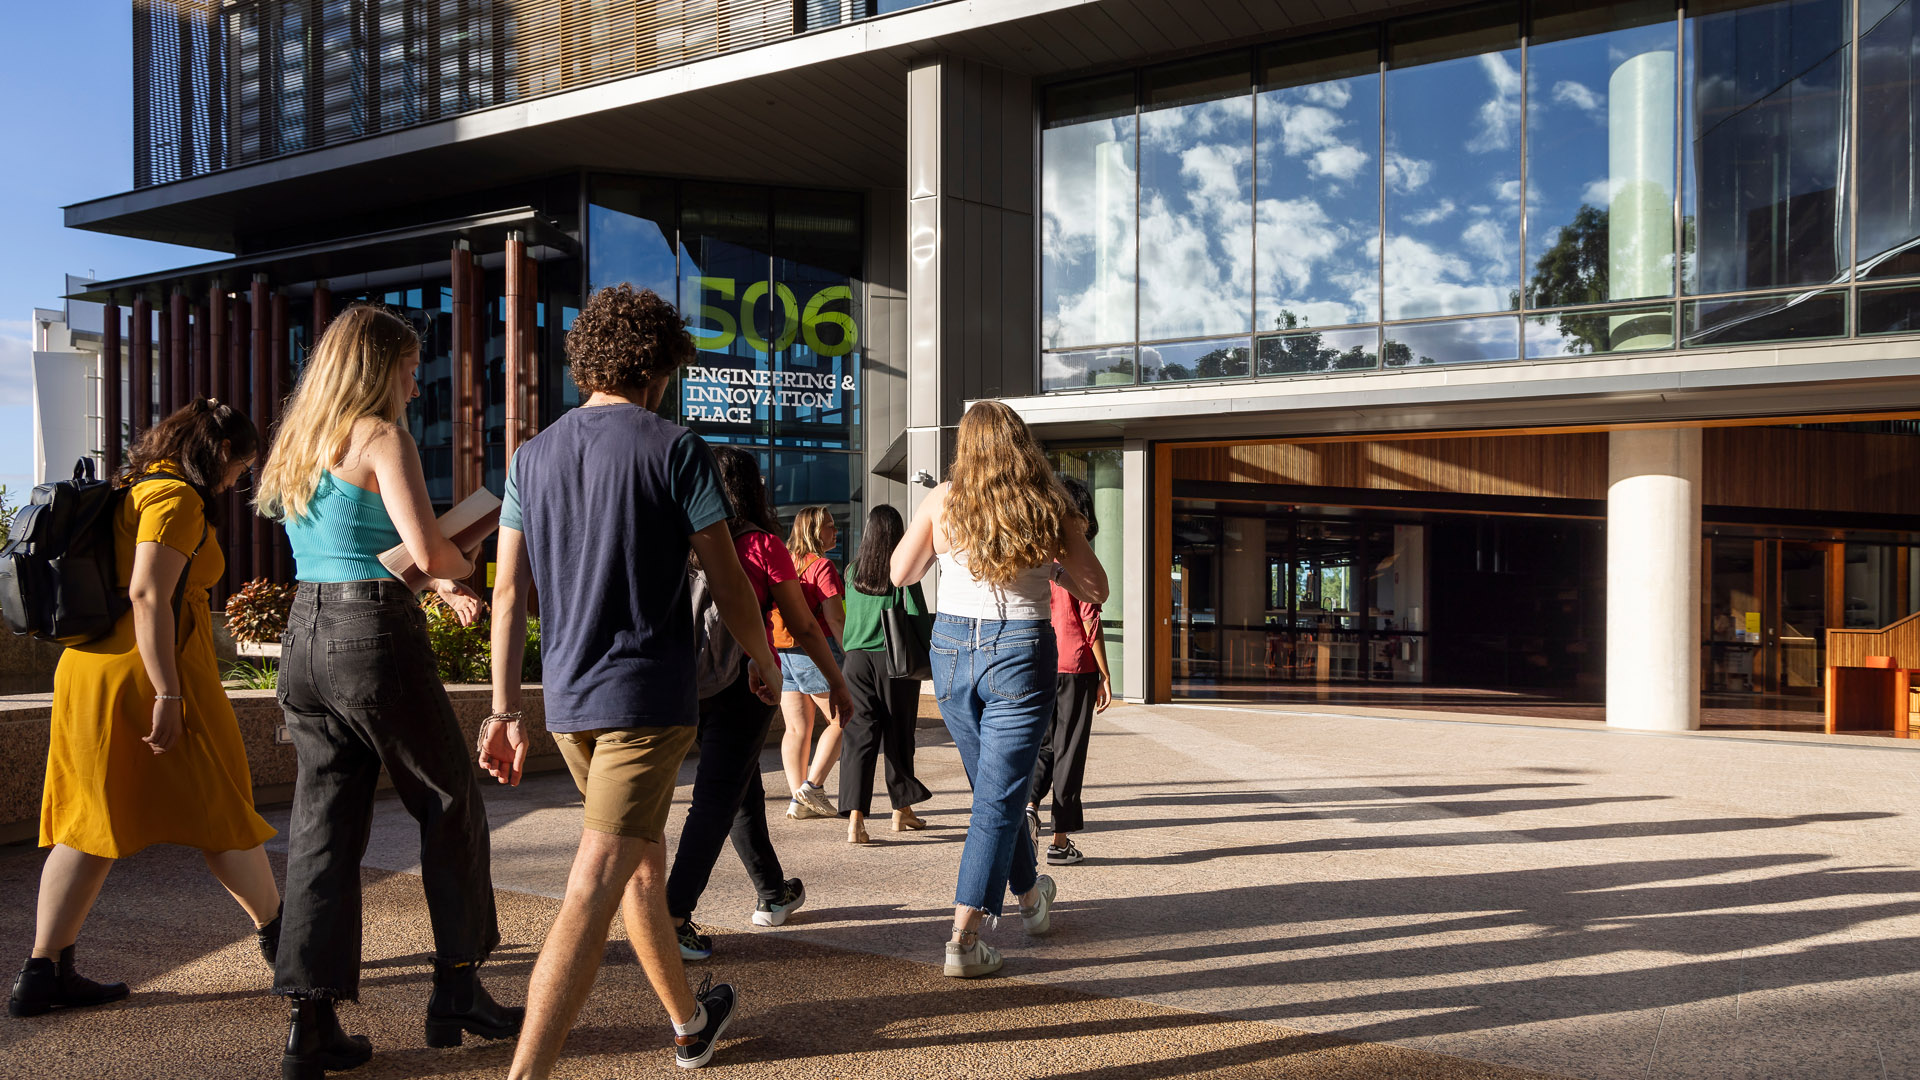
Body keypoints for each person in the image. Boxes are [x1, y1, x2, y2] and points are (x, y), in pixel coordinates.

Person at [478, 284, 779, 1074]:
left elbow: (508, 594)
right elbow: (730, 580)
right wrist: (765, 658)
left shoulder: (529, 456)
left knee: (640, 865)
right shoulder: (676, 447)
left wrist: (504, 710)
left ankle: (689, 1022)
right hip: (645, 700)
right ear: (660, 367)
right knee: (592, 888)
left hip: (571, 702)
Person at [257, 305, 521, 1079]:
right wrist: (465, 556)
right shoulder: (381, 434)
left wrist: (436, 581)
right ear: (378, 367)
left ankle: (311, 1025)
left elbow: (362, 548)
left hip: (305, 636)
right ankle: (458, 990)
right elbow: (430, 543)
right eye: (408, 365)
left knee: (322, 829)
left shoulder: (301, 441)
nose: (415, 380)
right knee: (449, 802)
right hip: (371, 636)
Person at [10, 400, 280, 1019]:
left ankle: (43, 972)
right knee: (222, 808)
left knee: (89, 824)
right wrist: (168, 693)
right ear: (218, 454)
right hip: (149, 674)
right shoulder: (176, 499)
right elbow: (149, 594)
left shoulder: (128, 488)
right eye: (240, 465)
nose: (238, 479)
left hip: (91, 669)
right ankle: (285, 944)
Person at [891, 401, 1107, 978]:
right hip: (1020, 645)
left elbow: (899, 573)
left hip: (952, 649)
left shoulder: (943, 499)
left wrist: (946, 547)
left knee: (997, 789)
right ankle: (963, 940)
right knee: (997, 796)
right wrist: (1054, 561)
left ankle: (1032, 898)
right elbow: (1098, 587)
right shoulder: (1048, 505)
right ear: (1021, 444)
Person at [666, 449, 852, 962]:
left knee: (740, 788)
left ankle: (773, 893)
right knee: (716, 797)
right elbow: (806, 624)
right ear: (753, 488)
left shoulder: (681, 538)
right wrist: (837, 681)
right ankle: (673, 915)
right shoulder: (760, 543)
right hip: (750, 681)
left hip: (688, 679)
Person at [1025, 476, 1112, 866]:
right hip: (1076, 664)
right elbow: (1090, 617)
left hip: (1039, 661)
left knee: (1043, 744)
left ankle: (1029, 805)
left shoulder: (1034, 555)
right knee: (1069, 749)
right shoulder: (1076, 560)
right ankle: (1060, 842)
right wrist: (1105, 674)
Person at [837, 504, 933, 845]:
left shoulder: (851, 572)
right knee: (899, 734)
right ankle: (900, 810)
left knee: (858, 741)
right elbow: (917, 616)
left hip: (856, 662)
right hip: (895, 663)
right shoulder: (902, 572)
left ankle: (856, 822)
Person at [774, 506, 848, 820]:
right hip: (814, 652)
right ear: (815, 532)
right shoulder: (822, 566)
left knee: (795, 728)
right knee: (843, 720)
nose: (836, 531)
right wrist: (849, 652)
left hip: (782, 651)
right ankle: (812, 787)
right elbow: (835, 617)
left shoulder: (786, 561)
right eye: (830, 526)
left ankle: (797, 801)